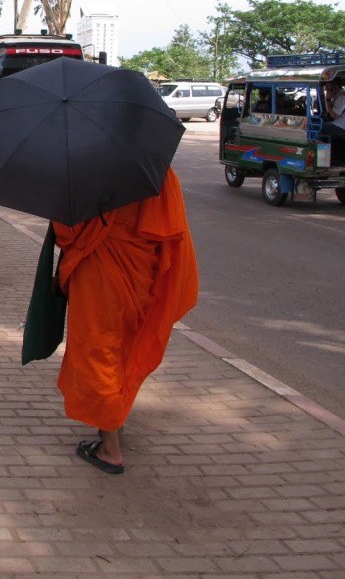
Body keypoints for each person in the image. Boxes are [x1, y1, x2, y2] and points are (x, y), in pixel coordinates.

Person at [53, 168, 199, 474]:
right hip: (141, 275)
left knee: (99, 354)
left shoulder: (92, 166)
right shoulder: (158, 170)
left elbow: (67, 230)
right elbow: (171, 236)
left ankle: (110, 451)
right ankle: (115, 421)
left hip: (100, 273)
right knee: (124, 352)